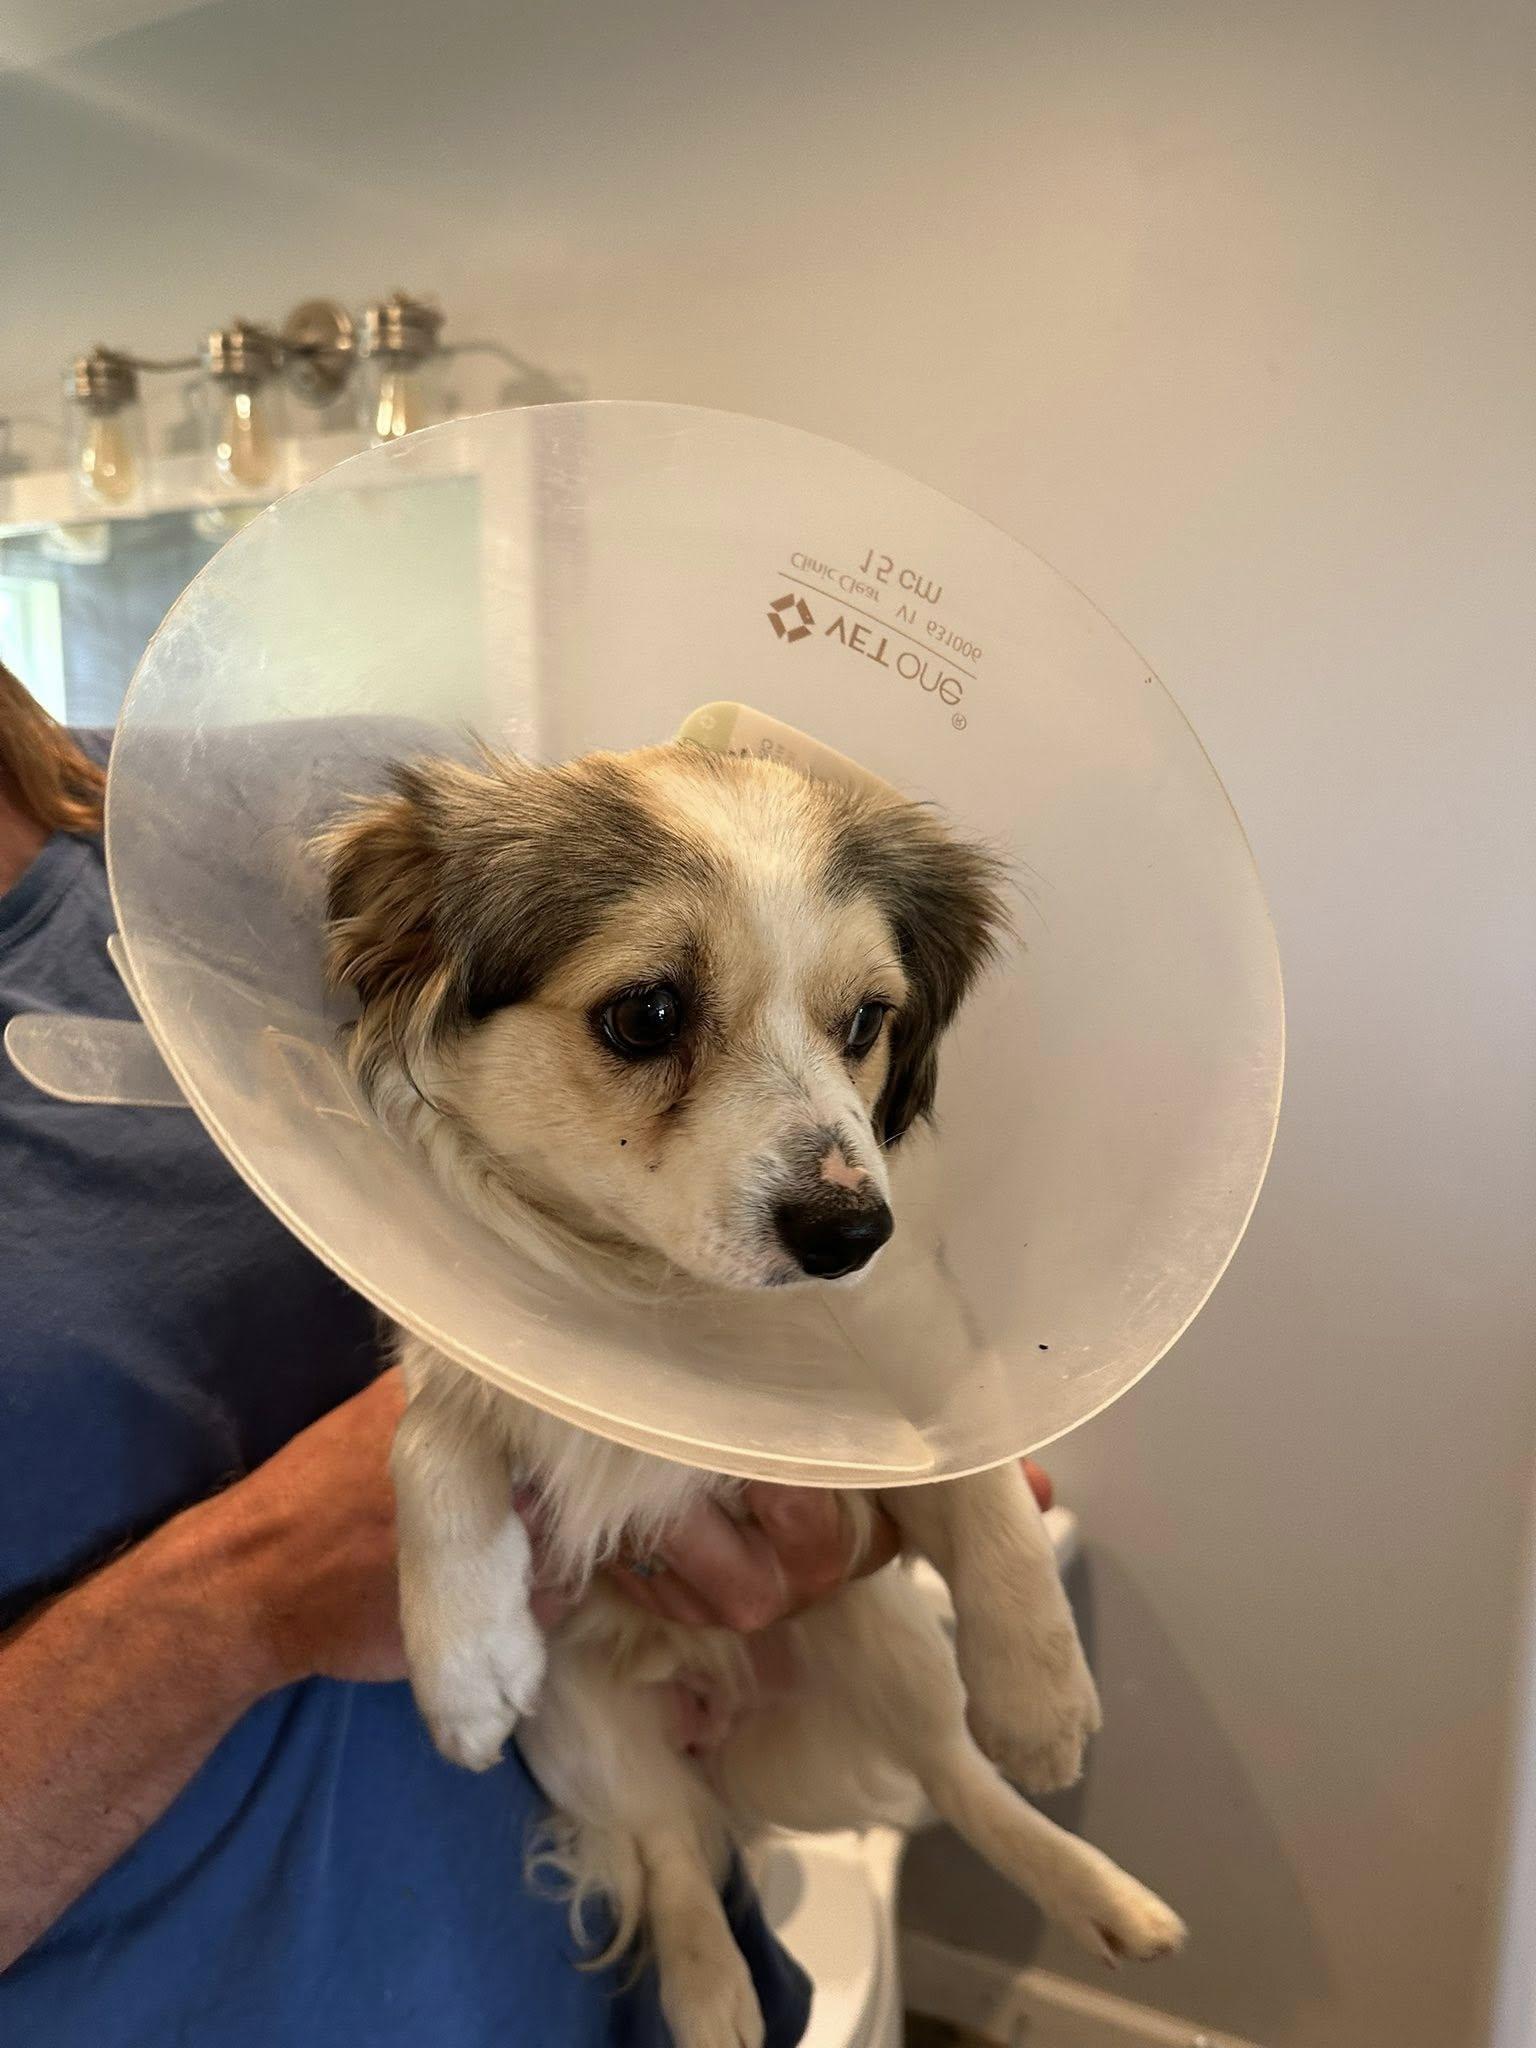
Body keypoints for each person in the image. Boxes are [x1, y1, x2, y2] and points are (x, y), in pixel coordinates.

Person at [0, 661, 1052, 2045]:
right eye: (649, 1023)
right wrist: (247, 1598)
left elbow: (958, 1420)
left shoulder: (268, 817)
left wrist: (847, 1507)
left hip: (615, 1984)